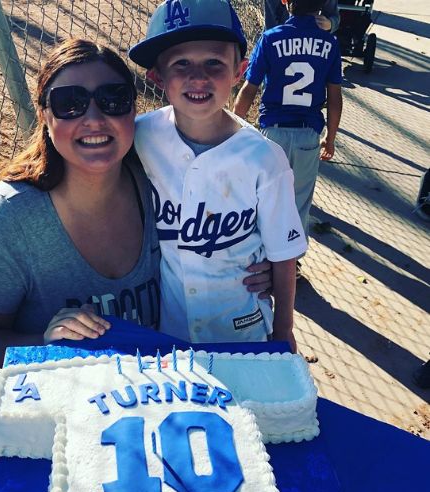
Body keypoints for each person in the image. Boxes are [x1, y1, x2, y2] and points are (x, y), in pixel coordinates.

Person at [0, 37, 271, 409]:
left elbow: (220, 225)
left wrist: (246, 267)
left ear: (134, 110)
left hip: (139, 397)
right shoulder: (6, 220)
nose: (95, 119)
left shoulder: (157, 184)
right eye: (70, 103)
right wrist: (46, 346)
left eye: (113, 99)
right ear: (44, 114)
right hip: (33, 407)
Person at [129, 0, 307, 351]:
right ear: (157, 76)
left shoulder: (264, 157)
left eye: (214, 62)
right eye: (181, 63)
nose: (199, 77)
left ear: (239, 71)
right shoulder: (140, 137)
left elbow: (283, 253)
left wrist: (284, 328)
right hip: (169, 330)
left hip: (243, 326)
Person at [234, 0, 343, 250]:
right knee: (299, 202)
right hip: (307, 133)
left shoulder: (271, 38)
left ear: (285, 2)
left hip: (272, 132)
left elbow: (249, 90)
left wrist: (233, 128)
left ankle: (261, 254)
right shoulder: (330, 43)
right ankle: (290, 261)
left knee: (264, 198)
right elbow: (335, 97)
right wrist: (331, 137)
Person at [264, 0, 340, 32]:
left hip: (313, 43)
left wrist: (330, 24)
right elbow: (270, 25)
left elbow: (334, 16)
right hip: (280, 43)